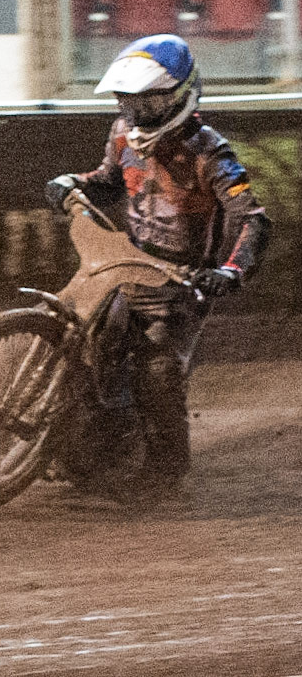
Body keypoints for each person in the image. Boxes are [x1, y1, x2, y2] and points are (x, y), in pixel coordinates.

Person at [43, 34, 269, 498]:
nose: (139, 112)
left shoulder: (211, 152)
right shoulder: (123, 134)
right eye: (131, 102)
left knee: (157, 370)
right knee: (84, 340)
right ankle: (84, 441)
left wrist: (229, 271)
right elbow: (107, 179)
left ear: (182, 96)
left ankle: (167, 468)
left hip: (181, 283)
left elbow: (252, 219)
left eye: (152, 102)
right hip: (127, 263)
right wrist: (71, 181)